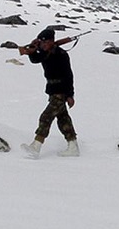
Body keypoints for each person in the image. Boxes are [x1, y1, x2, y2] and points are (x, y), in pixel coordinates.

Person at [20, 28, 80, 159]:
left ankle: (36, 146)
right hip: (53, 91)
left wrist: (70, 95)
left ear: (52, 41)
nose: (43, 45)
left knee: (46, 117)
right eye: (42, 42)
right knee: (63, 119)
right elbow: (35, 59)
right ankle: (73, 146)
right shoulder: (44, 53)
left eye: (45, 42)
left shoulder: (61, 54)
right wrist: (32, 47)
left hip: (61, 91)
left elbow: (69, 76)